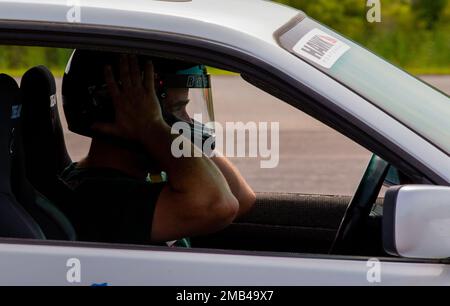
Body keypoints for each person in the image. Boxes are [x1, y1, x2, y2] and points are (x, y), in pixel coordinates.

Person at [59, 50, 256, 245]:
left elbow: (241, 197)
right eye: (178, 108)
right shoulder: (99, 199)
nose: (187, 121)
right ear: (123, 110)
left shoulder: (141, 177)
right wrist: (151, 127)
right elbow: (221, 205)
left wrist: (187, 138)